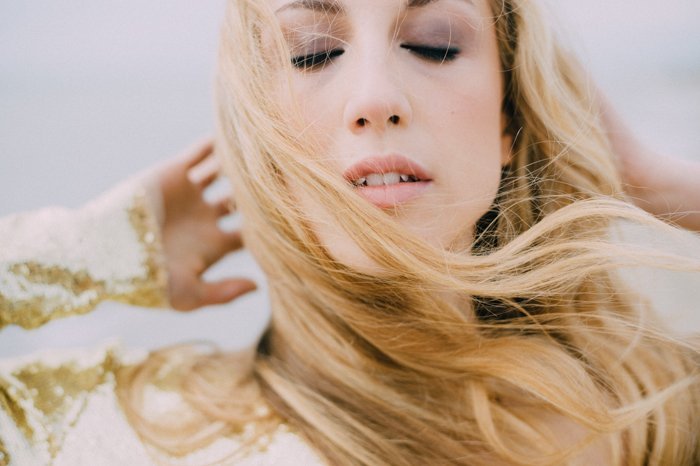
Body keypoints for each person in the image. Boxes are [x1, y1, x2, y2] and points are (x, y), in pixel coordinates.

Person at [1, 0, 699, 465]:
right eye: (312, 52)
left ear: (508, 120)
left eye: (433, 44)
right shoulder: (117, 428)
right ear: (261, 134)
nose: (374, 98)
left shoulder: (657, 411)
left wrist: (662, 190)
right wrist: (93, 250)